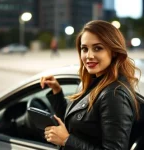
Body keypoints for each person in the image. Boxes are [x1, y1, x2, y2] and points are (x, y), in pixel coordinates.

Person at [40, 20, 141, 150]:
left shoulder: (114, 95)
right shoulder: (92, 82)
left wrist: (67, 140)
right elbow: (74, 124)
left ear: (114, 51)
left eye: (98, 48)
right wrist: (57, 91)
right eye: (84, 49)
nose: (89, 56)